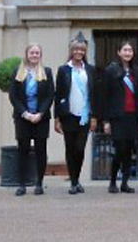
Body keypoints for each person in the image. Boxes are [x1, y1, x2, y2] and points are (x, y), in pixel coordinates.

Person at [101, 41, 138, 194]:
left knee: (129, 150)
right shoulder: (111, 70)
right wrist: (106, 120)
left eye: (130, 50)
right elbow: (105, 96)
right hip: (117, 116)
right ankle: (113, 181)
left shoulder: (137, 71)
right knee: (119, 149)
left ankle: (125, 183)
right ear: (119, 52)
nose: (128, 53)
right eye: (125, 50)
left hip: (133, 116)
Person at [9, 43, 54, 196]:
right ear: (27, 55)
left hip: (41, 118)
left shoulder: (47, 72)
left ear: (40, 55)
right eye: (32, 53)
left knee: (41, 151)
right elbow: (13, 96)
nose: (34, 55)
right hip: (23, 118)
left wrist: (40, 113)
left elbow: (50, 95)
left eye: (37, 53)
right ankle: (21, 184)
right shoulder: (18, 72)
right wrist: (25, 114)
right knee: (23, 150)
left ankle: (39, 183)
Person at [54, 37, 97, 195]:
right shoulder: (64, 70)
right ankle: (73, 182)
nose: (79, 52)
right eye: (76, 49)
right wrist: (57, 118)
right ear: (71, 51)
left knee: (80, 148)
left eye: (82, 50)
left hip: (85, 115)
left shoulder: (90, 70)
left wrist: (94, 116)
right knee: (70, 148)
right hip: (68, 114)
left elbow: (95, 94)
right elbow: (58, 94)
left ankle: (77, 178)